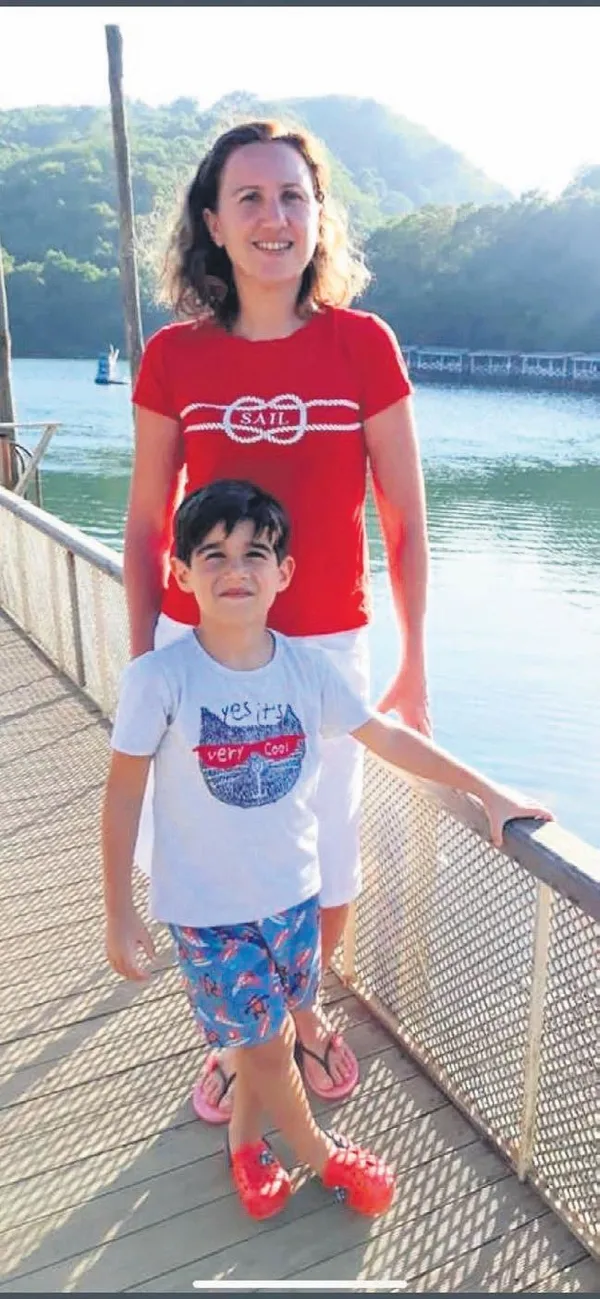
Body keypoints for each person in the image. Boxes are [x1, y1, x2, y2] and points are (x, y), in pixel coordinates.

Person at [103, 479, 553, 1222]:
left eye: (255, 553)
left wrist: (488, 790)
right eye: (212, 555)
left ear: (284, 572)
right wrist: (119, 910)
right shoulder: (159, 679)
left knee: (268, 1032)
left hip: (292, 899)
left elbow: (389, 738)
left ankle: (246, 1143)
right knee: (266, 1044)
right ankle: (322, 1154)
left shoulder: (308, 672)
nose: (235, 569)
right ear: (180, 572)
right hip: (207, 912)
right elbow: (123, 795)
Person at [125, 118, 430, 1122]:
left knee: (326, 844)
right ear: (213, 222)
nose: (273, 216)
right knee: (210, 854)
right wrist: (143, 662)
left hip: (326, 643)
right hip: (200, 647)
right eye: (249, 197)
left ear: (317, 215)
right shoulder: (173, 357)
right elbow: (147, 524)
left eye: (293, 195)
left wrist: (415, 663)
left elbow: (403, 519)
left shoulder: (363, 345)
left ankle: (298, 1014)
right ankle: (238, 1036)